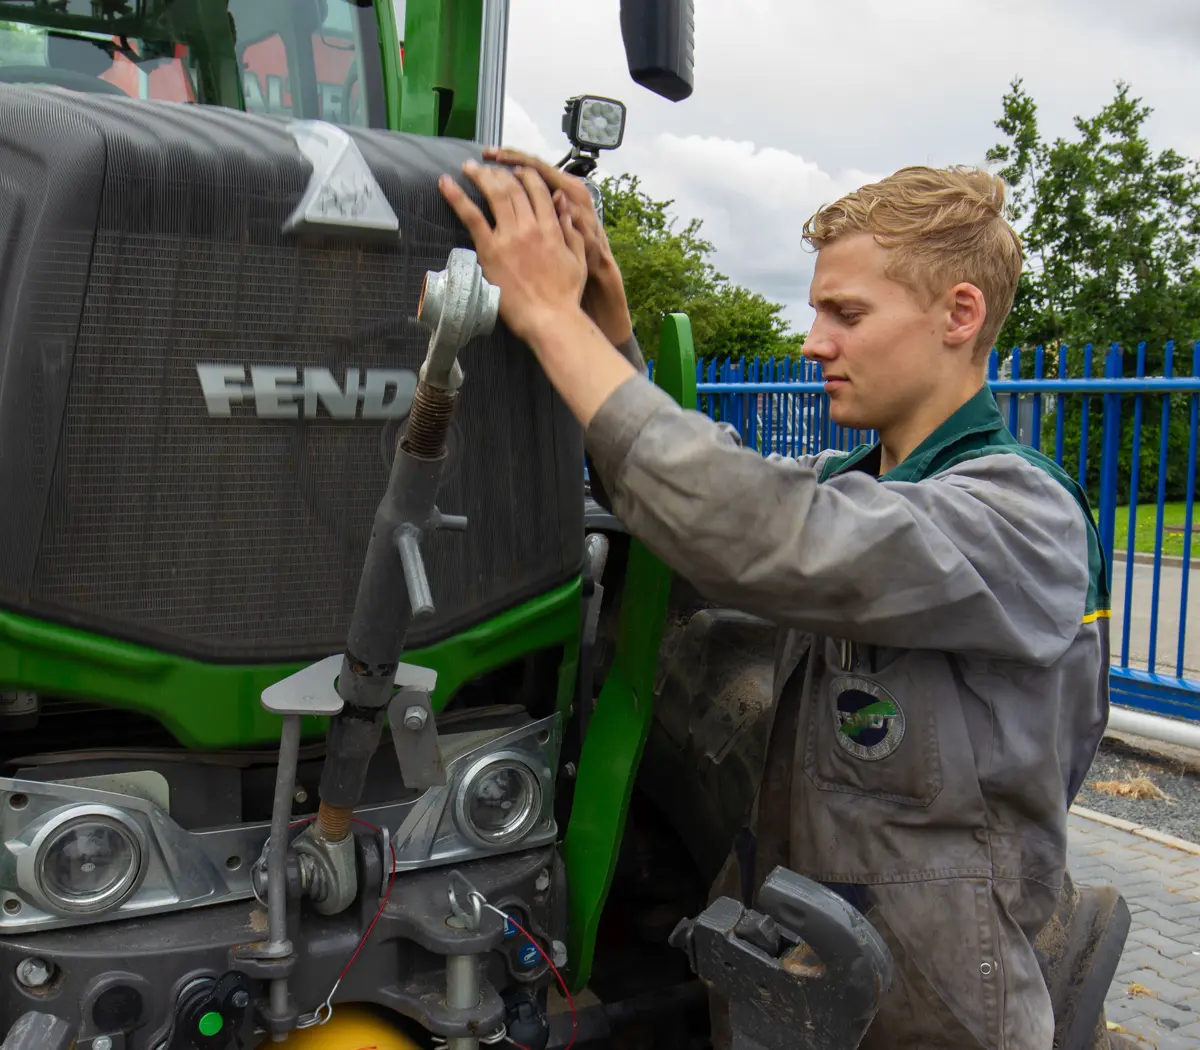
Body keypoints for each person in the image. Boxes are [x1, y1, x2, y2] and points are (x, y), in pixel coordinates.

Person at [437, 153, 1112, 1049]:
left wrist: (550, 318)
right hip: (803, 963)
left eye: (848, 313)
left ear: (960, 314)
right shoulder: (854, 480)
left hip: (933, 1003)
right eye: (818, 309)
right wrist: (608, 327)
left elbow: (762, 530)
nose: (814, 340)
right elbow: (706, 504)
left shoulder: (1019, 514)